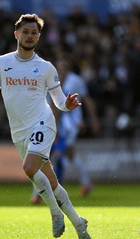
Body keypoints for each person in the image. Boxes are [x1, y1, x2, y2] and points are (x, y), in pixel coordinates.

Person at [0, 13, 91, 239]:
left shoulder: (46, 68)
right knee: (51, 182)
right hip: (18, 131)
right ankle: (79, 224)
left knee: (29, 167)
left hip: (43, 122)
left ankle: (55, 213)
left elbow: (58, 100)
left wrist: (67, 106)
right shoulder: (1, 63)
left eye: (34, 33)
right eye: (25, 32)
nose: (29, 36)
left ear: (39, 37)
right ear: (16, 34)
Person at [30, 57, 99, 203]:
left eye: (64, 68)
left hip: (71, 124)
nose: (61, 71)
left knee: (56, 154)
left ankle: (41, 193)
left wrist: (93, 120)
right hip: (53, 123)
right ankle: (84, 184)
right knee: (55, 155)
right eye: (59, 68)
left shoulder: (76, 81)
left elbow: (87, 100)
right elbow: (50, 106)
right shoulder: (50, 81)